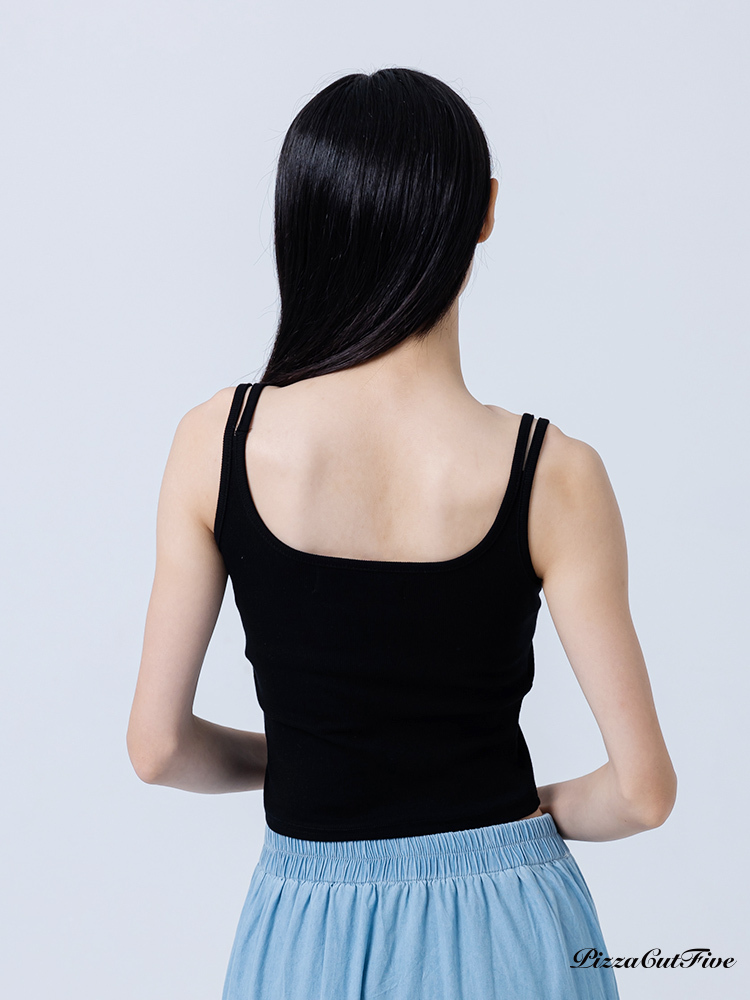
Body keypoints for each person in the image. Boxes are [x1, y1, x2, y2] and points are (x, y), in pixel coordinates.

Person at [127, 67, 677, 999]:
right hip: (515, 923)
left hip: (305, 933)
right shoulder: (554, 471)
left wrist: (320, 755)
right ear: (485, 211)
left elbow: (158, 749)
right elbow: (642, 792)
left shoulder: (217, 442)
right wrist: (511, 820)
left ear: (302, 222)